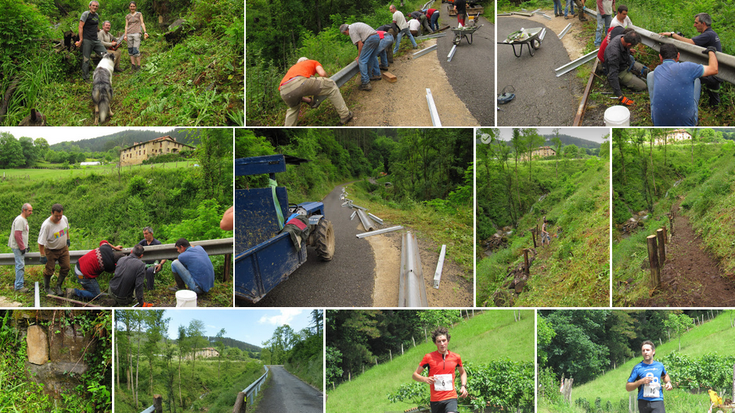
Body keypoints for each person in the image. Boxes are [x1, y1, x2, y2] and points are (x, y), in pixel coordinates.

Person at [647, 43, 718, 126]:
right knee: (696, 79)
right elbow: (714, 69)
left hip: (658, 123)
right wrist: (711, 51)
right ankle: (694, 120)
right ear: (678, 56)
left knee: (651, 75)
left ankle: (656, 113)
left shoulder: (658, 70)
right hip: (686, 123)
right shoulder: (688, 67)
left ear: (660, 57)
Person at [660, 13, 722, 107]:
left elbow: (690, 42)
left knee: (687, 76)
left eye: (696, 23)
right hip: (716, 72)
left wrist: (672, 35)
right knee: (714, 96)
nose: (694, 25)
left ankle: (686, 104)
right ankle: (714, 109)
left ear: (703, 23)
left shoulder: (708, 34)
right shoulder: (711, 34)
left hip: (713, 73)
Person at [279, 57, 353, 125]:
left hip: (283, 90)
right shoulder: (312, 62)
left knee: (293, 108)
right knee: (331, 85)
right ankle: (345, 115)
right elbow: (322, 74)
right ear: (306, 60)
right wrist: (325, 82)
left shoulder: (293, 68)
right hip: (300, 81)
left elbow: (295, 92)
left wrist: (309, 101)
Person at [412, 327, 468, 413]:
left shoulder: (456, 357)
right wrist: (425, 379)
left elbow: (462, 372)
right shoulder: (428, 357)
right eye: (439, 341)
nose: (442, 344)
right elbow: (415, 375)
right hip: (435, 400)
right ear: (435, 343)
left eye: (444, 340)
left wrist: (463, 386)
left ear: (448, 341)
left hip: (451, 397)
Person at [626, 341, 673, 413]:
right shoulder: (637, 368)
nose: (645, 352)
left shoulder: (659, 366)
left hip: (657, 401)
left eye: (647, 350)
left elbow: (665, 376)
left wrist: (668, 382)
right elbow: (628, 387)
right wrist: (640, 381)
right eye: (643, 350)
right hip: (643, 402)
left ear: (653, 352)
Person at [604, 31, 646, 103]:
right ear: (629, 44)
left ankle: (634, 73)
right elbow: (613, 75)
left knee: (645, 71)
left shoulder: (623, 37)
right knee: (643, 86)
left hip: (626, 62)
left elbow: (626, 51)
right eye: (632, 46)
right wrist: (620, 96)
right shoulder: (614, 53)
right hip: (619, 71)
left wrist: (629, 51)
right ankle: (624, 79)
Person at [37, 203, 71, 295]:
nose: (59, 218)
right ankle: (47, 287)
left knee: (66, 267)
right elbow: (40, 242)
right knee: (49, 270)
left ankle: (58, 286)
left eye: (60, 215)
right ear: (52, 213)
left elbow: (66, 229)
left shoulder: (64, 218)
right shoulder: (47, 225)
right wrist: (42, 255)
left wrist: (68, 238)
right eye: (57, 216)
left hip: (63, 249)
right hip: (51, 251)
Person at [340, 23, 382, 91]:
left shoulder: (351, 31)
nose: (346, 35)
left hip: (370, 39)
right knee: (372, 57)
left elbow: (360, 44)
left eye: (345, 34)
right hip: (376, 37)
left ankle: (365, 83)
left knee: (362, 60)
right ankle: (376, 74)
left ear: (345, 31)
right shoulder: (354, 26)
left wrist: (359, 56)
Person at [74, 0, 107, 82]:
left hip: (95, 40)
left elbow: (96, 24)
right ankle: (86, 77)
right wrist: (81, 39)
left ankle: (104, 73)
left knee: (105, 55)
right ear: (90, 6)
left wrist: (99, 29)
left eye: (96, 6)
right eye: (93, 5)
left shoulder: (96, 15)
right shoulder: (86, 14)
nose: (95, 7)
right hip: (87, 40)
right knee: (86, 59)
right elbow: (80, 26)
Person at [8, 203, 33, 293]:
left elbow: (23, 234)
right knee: (20, 265)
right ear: (24, 210)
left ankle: (19, 283)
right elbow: (17, 235)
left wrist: (26, 245)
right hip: (17, 247)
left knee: (20, 265)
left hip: (20, 246)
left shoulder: (23, 219)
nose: (31, 212)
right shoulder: (20, 220)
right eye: (29, 211)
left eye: (31, 210)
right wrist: (22, 247)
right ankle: (19, 286)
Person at [123, 1, 149, 71]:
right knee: (130, 50)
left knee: (136, 50)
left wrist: (145, 32)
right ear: (129, 7)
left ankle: (138, 66)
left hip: (137, 33)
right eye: (131, 6)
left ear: (135, 7)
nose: (132, 8)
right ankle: (133, 65)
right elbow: (126, 26)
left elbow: (142, 23)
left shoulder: (139, 14)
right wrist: (125, 35)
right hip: (129, 34)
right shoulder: (127, 16)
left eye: (133, 6)